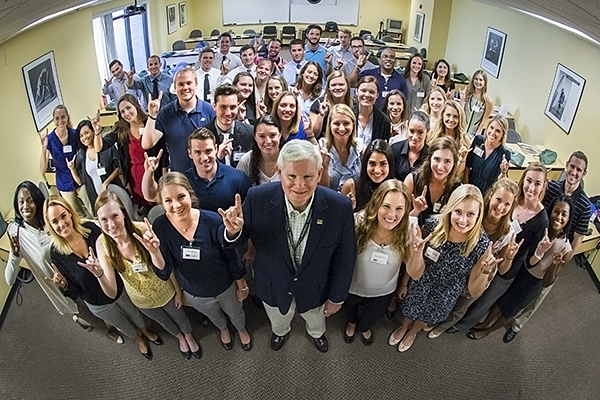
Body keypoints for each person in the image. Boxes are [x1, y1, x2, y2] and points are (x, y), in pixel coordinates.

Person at [220, 140, 356, 353]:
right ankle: (280, 332)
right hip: (274, 286)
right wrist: (233, 231)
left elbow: (346, 256)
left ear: (319, 174)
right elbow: (236, 239)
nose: (299, 185)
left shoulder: (339, 208)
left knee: (316, 322)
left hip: (317, 289)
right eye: (291, 176)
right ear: (279, 171)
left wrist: (337, 297)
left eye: (308, 177)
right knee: (279, 320)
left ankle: (316, 334)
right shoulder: (257, 199)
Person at [45, 195, 160, 359]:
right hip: (97, 301)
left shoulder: (91, 229)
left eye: (63, 216)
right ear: (50, 225)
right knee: (121, 323)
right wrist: (64, 285)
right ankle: (138, 339)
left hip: (118, 287)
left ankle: (145, 331)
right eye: (55, 221)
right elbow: (75, 292)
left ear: (70, 213)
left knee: (134, 313)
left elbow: (115, 247)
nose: (61, 224)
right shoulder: (56, 254)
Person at [92, 191, 202, 359]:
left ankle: (188, 335)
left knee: (179, 316)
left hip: (164, 290)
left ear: (123, 213)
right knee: (164, 321)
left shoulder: (143, 230)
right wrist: (100, 276)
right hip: (140, 299)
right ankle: (180, 337)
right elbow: (112, 292)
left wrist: (178, 291)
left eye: (115, 216)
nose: (111, 225)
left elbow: (166, 266)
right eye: (104, 220)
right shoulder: (102, 244)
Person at [388, 184, 496, 352]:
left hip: (447, 293)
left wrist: (485, 272)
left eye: (470, 214)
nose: (462, 220)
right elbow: (413, 268)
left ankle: (413, 333)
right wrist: (404, 282)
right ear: (451, 209)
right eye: (458, 212)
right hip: (421, 283)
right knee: (409, 311)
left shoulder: (480, 244)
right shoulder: (432, 226)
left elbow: (474, 291)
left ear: (478, 216)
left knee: (427, 317)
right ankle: (404, 328)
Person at [152, 172, 252, 351]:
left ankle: (241, 329)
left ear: (190, 195)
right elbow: (164, 271)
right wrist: (154, 252)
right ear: (161, 202)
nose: (176, 205)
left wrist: (242, 284)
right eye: (168, 200)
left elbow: (231, 252)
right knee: (214, 316)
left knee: (236, 313)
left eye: (181, 196)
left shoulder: (211, 219)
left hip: (224, 285)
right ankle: (223, 329)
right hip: (195, 292)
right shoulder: (160, 226)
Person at [504, 151, 591, 342]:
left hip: (557, 252)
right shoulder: (551, 187)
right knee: (520, 276)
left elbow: (578, 239)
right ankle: (503, 310)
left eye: (579, 170)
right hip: (538, 240)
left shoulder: (584, 204)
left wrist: (561, 264)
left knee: (538, 293)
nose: (574, 172)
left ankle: (516, 325)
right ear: (567, 165)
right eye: (572, 166)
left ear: (584, 174)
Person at [453, 162, 549, 333]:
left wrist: (539, 254)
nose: (531, 187)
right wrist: (503, 174)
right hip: (485, 249)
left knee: (482, 300)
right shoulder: (513, 199)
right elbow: (499, 197)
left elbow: (531, 260)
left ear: (544, 186)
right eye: (529, 180)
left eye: (537, 183)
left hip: (507, 264)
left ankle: (461, 326)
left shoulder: (542, 221)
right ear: (523, 179)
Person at [467, 195, 573, 340]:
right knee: (503, 300)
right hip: (522, 271)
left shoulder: (566, 249)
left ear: (568, 219)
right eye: (556, 211)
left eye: (564, 214)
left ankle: (487, 331)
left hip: (533, 284)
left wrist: (554, 265)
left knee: (510, 311)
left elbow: (548, 282)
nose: (559, 217)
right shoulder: (542, 230)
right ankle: (485, 322)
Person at [426, 178, 519, 338]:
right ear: (490, 196)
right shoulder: (473, 213)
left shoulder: (508, 232)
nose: (501, 207)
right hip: (458, 267)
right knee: (446, 298)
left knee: (461, 306)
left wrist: (509, 257)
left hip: (479, 274)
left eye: (507, 204)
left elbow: (503, 269)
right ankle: (434, 320)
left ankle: (442, 327)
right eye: (498, 200)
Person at [344, 179, 412, 346]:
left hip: (384, 290)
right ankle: (352, 323)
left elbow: (413, 268)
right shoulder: (358, 222)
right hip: (354, 285)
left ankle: (364, 327)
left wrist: (404, 284)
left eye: (399, 209)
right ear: (377, 204)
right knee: (350, 310)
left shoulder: (409, 231)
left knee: (372, 316)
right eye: (386, 206)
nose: (391, 215)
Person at [5, 181, 79, 318]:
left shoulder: (50, 220)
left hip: (75, 271)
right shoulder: (17, 234)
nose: (25, 206)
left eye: (30, 201)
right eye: (21, 202)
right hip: (57, 284)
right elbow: (9, 280)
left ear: (38, 201)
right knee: (80, 313)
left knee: (96, 305)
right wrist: (14, 256)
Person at [94, 94, 165, 214]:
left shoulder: (150, 122)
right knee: (142, 207)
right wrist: (97, 132)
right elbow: (100, 148)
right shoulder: (121, 129)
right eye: (122, 111)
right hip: (134, 176)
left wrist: (164, 177)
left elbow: (163, 153)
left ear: (135, 105)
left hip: (153, 173)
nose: (126, 113)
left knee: (158, 206)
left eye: (128, 108)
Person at [142, 67, 216, 173]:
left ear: (196, 85)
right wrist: (152, 115)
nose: (185, 87)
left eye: (189, 83)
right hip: (180, 177)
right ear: (175, 87)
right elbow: (147, 144)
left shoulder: (209, 110)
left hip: (207, 175)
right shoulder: (166, 113)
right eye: (181, 84)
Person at [39, 105, 91, 218]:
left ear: (67, 117)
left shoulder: (75, 134)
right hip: (65, 185)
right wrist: (43, 148)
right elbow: (42, 170)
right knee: (78, 216)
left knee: (92, 208)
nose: (60, 121)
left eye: (63, 117)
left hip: (80, 179)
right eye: (57, 118)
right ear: (53, 120)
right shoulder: (50, 140)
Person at [405, 137, 461, 226]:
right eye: (437, 159)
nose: (440, 167)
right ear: (430, 158)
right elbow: (399, 217)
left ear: (454, 163)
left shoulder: (457, 189)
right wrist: (416, 211)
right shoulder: (412, 180)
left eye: (447, 161)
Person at [67, 119, 121, 212]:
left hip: (113, 192)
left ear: (93, 132)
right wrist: (72, 169)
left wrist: (106, 183)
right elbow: (80, 182)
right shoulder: (81, 154)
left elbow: (118, 169)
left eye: (87, 133)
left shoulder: (105, 146)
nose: (84, 137)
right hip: (96, 198)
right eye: (81, 136)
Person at [204, 84, 253, 168]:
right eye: (223, 107)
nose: (228, 113)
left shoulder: (250, 133)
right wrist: (217, 158)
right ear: (214, 106)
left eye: (233, 107)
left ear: (238, 106)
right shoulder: (202, 136)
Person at [341, 139, 394, 211]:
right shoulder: (350, 185)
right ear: (365, 164)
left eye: (383, 164)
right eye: (372, 164)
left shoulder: (396, 188)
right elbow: (340, 218)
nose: (377, 170)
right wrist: (349, 210)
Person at [464, 115, 511, 195]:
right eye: (491, 128)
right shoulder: (478, 141)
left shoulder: (504, 154)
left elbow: (501, 182)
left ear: (503, 134)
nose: (493, 133)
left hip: (487, 194)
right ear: (487, 128)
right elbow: (467, 165)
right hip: (470, 188)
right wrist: (466, 185)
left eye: (498, 131)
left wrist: (503, 172)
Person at [320, 103, 361, 192]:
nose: (341, 128)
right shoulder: (321, 149)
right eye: (336, 123)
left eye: (346, 123)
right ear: (329, 125)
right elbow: (322, 190)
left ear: (353, 124)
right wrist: (325, 167)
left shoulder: (361, 149)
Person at [237, 115, 282, 186]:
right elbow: (238, 186)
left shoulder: (289, 159)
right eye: (262, 136)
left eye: (272, 135)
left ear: (280, 135)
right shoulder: (247, 160)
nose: (268, 141)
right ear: (255, 137)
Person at [309, 71, 353, 140]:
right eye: (333, 85)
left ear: (347, 86)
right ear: (328, 88)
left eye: (341, 84)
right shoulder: (319, 104)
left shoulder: (354, 105)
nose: (337, 87)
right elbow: (313, 134)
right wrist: (321, 115)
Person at [353, 76, 392, 151]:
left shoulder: (384, 121)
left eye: (372, 92)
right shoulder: (348, 115)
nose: (367, 95)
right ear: (356, 91)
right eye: (363, 90)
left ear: (377, 95)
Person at [391, 110, 430, 181]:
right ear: (407, 129)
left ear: (427, 132)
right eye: (412, 131)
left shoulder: (430, 154)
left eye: (420, 132)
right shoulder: (394, 149)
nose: (415, 137)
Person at [460, 69, 494, 136]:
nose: (478, 82)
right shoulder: (468, 92)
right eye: (476, 79)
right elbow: (461, 111)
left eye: (481, 80)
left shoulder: (487, 100)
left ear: (485, 82)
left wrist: (477, 134)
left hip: (474, 132)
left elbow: (485, 119)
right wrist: (462, 100)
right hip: (462, 128)